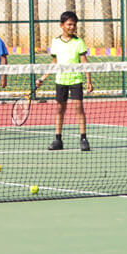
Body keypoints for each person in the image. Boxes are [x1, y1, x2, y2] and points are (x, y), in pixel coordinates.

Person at [36, 11, 93, 152]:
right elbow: (54, 62)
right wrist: (43, 78)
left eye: (74, 25)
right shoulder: (55, 42)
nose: (72, 27)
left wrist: (88, 81)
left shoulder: (79, 42)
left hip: (76, 80)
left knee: (79, 109)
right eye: (69, 24)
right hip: (61, 80)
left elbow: (84, 62)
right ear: (62, 25)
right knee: (60, 109)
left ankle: (83, 139)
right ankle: (58, 139)